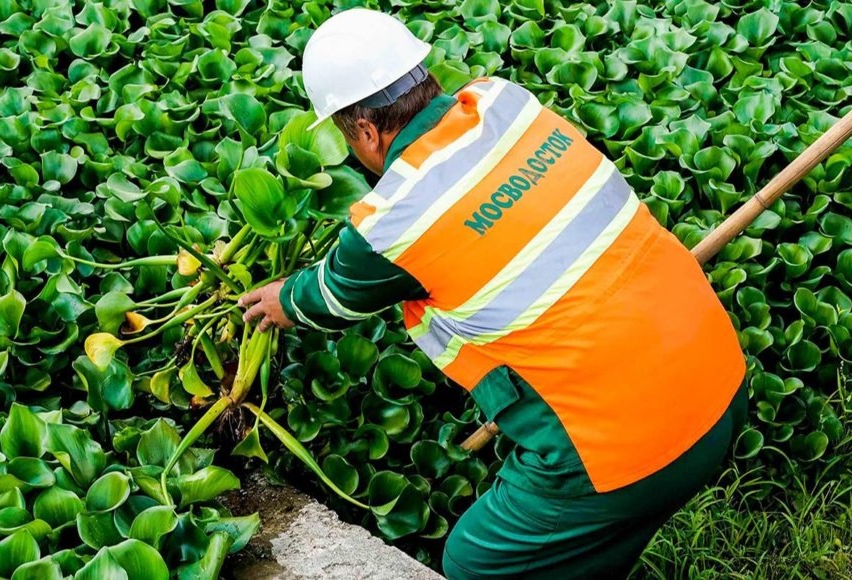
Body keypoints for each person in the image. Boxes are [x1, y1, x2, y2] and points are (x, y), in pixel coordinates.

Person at [238, 8, 748, 579]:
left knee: (476, 562)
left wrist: (282, 299)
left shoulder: (392, 222)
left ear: (365, 131)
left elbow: (331, 297)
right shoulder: (507, 103)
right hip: (722, 384)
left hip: (633, 451)